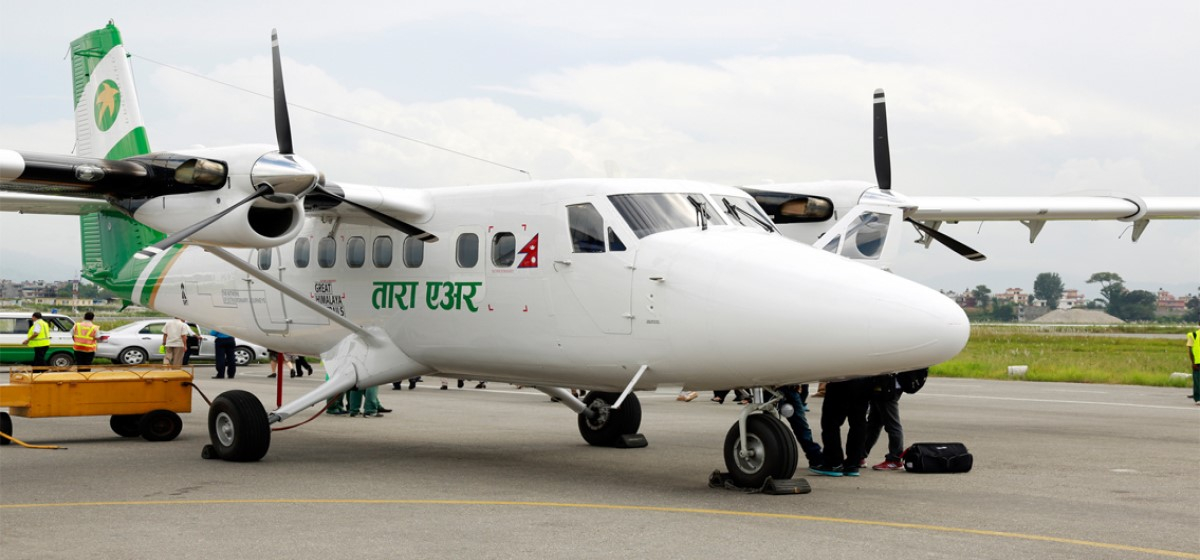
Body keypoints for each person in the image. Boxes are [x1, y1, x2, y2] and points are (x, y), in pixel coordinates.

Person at [810, 377, 871, 477]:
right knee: (858, 423)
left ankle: (834, 462)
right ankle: (853, 463)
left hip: (841, 382)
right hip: (863, 383)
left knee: (830, 423)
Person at [862, 374, 905, 470]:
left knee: (892, 425)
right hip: (882, 384)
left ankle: (895, 459)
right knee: (874, 423)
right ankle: (860, 456)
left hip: (887, 386)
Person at [777, 384, 823, 468]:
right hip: (775, 389)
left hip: (791, 390)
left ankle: (815, 458)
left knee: (802, 427)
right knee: (771, 426)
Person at [1188, 320, 1200, 405]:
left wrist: (1193, 362)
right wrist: (1193, 363)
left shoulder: (1193, 335)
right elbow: (1190, 350)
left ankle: (1198, 397)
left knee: (1197, 381)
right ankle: (1198, 397)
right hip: (1197, 362)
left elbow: (1190, 350)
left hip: (1196, 362)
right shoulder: (1193, 335)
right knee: (1197, 381)